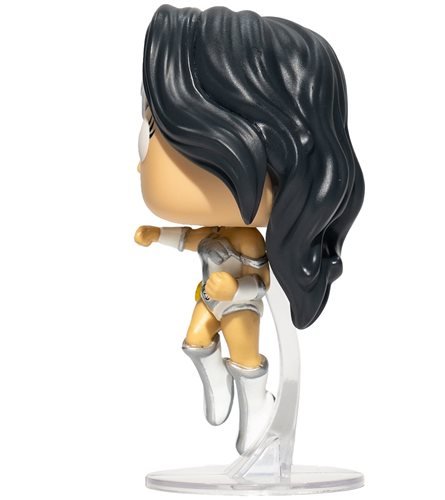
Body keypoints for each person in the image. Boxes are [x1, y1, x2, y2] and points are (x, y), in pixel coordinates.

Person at [134, 4, 364, 454]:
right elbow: (193, 241)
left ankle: (257, 404)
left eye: (155, 127)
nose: (140, 158)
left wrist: (232, 289)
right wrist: (157, 237)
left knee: (244, 357)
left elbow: (258, 283)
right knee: (194, 343)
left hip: (239, 308)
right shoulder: (219, 232)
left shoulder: (246, 240)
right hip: (210, 300)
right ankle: (219, 384)